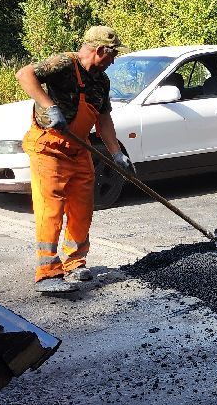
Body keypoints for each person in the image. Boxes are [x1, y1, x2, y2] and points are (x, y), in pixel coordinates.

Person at [16, 26, 132, 294]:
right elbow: (25, 75)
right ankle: (47, 272)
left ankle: (75, 263)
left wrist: (116, 153)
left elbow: (103, 120)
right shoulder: (64, 64)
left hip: (80, 150)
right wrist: (49, 106)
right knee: (51, 209)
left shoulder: (101, 81)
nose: (113, 61)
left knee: (82, 207)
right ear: (100, 50)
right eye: (112, 55)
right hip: (49, 147)